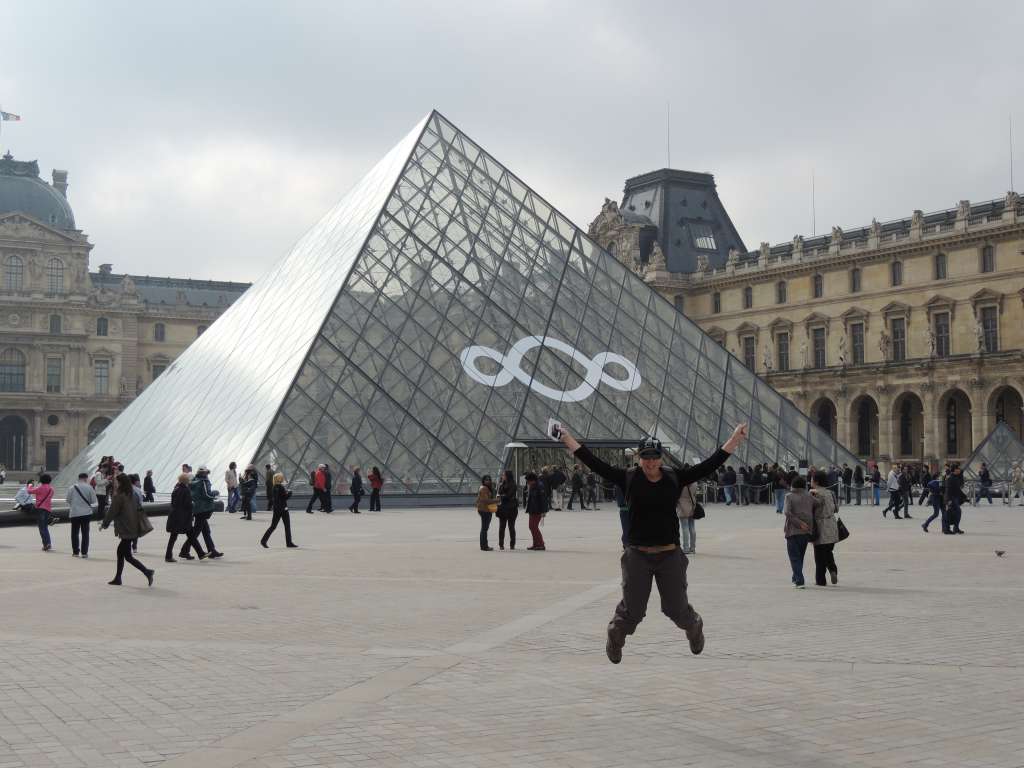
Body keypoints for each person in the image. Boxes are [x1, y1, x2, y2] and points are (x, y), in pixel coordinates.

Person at [560, 424, 747, 664]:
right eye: (645, 458)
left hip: (669, 555)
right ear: (639, 458)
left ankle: (694, 626)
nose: (650, 463)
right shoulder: (628, 478)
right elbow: (595, 463)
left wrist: (732, 441)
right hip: (637, 555)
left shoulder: (674, 478)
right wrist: (567, 439)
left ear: (661, 458)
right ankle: (615, 637)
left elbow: (708, 466)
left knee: (677, 609)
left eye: (654, 457)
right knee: (632, 611)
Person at [100, 474, 155, 587]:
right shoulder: (133, 493)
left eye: (116, 482)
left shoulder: (119, 496)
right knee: (121, 553)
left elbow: (112, 511)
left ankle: (147, 572)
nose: (114, 483)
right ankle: (118, 578)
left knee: (127, 556)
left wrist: (104, 524)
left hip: (126, 528)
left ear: (120, 483)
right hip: (134, 526)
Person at [783, 475, 820, 589]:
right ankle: (796, 577)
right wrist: (815, 492)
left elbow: (787, 513)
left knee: (794, 557)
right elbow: (818, 503)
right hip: (806, 531)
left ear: (793, 485)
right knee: (800, 556)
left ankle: (799, 581)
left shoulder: (789, 496)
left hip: (793, 530)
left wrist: (799, 523)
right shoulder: (808, 496)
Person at [185, 465, 223, 559]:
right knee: (196, 532)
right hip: (203, 509)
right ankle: (184, 550)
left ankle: (212, 550)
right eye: (207, 472)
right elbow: (207, 494)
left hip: (197, 509)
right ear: (205, 473)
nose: (207, 474)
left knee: (206, 531)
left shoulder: (194, 481)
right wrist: (215, 493)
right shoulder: (203, 482)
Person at [166, 472, 205, 562]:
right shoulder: (185, 490)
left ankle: (201, 554)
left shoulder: (176, 489)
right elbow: (187, 504)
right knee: (191, 536)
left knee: (174, 537)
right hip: (183, 518)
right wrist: (192, 504)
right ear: (186, 481)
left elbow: (174, 503)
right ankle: (200, 554)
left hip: (175, 516)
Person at [810, 471, 839, 586]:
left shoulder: (814, 494)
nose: (810, 481)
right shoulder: (830, 493)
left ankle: (820, 580)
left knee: (819, 556)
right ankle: (833, 570)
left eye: (812, 479)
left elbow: (810, 508)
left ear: (816, 481)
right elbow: (836, 509)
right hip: (832, 524)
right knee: (828, 551)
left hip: (820, 525)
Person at [262, 473, 298, 548]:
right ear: (279, 479)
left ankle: (263, 540)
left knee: (273, 526)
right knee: (287, 526)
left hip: (276, 509)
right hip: (283, 509)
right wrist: (290, 493)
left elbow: (277, 498)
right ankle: (289, 543)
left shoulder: (274, 487)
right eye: (281, 477)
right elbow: (284, 498)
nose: (283, 478)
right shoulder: (281, 487)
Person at [66, 472, 97, 558]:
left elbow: (68, 500)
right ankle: (84, 552)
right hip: (86, 513)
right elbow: (93, 501)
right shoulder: (89, 488)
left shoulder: (72, 487)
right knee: (85, 533)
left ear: (79, 478)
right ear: (85, 478)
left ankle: (75, 552)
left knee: (74, 533)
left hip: (74, 513)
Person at [27, 475, 56, 551]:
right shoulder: (51, 489)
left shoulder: (40, 488)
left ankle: (46, 544)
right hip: (48, 509)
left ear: (41, 480)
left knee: (41, 528)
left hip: (40, 509)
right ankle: (48, 543)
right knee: (45, 527)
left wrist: (30, 485)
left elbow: (29, 491)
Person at [523, 471, 547, 550]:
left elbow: (543, 499)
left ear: (532, 480)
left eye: (528, 481)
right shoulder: (532, 486)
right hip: (532, 509)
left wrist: (544, 511)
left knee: (534, 527)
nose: (527, 482)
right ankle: (535, 544)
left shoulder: (539, 486)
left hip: (538, 510)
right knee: (531, 527)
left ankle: (541, 544)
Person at [496, 469, 518, 550]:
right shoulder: (501, 484)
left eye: (504, 475)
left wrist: (500, 496)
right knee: (502, 527)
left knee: (511, 527)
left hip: (511, 508)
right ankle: (501, 544)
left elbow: (508, 496)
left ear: (507, 476)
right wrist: (500, 496)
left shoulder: (513, 484)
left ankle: (512, 544)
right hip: (503, 508)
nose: (502, 476)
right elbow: (498, 493)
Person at [676, 474, 698, 555]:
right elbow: (695, 494)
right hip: (692, 505)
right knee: (692, 527)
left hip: (682, 505)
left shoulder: (681, 484)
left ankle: (686, 548)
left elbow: (677, 495)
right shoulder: (695, 483)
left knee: (684, 527)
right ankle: (693, 548)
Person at [475, 475, 495, 551]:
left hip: (484, 509)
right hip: (484, 510)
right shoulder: (484, 488)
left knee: (484, 528)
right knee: (484, 529)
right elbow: (486, 500)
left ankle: (483, 545)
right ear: (483, 480)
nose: (488, 481)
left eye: (489, 479)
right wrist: (496, 500)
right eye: (486, 480)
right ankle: (484, 546)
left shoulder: (485, 488)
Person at [945, 465, 966, 534]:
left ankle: (955, 528)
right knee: (951, 513)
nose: (959, 470)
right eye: (958, 469)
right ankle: (948, 529)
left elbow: (958, 488)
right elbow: (948, 490)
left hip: (955, 498)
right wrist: (949, 500)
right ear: (955, 470)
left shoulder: (955, 477)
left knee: (956, 513)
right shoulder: (951, 478)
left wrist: (964, 496)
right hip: (951, 498)